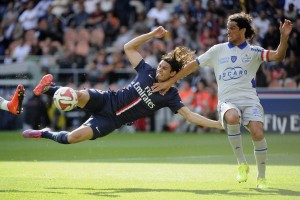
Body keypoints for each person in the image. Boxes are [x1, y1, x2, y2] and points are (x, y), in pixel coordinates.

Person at [151, 13, 293, 189]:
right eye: (228, 27)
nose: (228, 31)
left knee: (257, 133)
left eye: (233, 28)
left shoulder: (254, 51)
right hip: (227, 101)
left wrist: (284, 36)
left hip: (250, 101)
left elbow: (278, 56)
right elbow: (193, 65)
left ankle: (261, 178)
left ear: (243, 30)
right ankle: (242, 163)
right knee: (232, 117)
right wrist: (171, 81)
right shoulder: (217, 50)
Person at [22, 26, 223, 144]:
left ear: (173, 74)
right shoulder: (147, 72)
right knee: (78, 95)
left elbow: (190, 116)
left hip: (111, 121)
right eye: (160, 66)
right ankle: (47, 88)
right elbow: (129, 47)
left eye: (164, 69)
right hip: (106, 99)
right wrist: (151, 35)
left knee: (73, 138)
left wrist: (216, 124)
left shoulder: (170, 95)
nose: (159, 70)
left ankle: (45, 133)